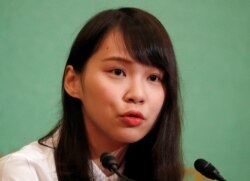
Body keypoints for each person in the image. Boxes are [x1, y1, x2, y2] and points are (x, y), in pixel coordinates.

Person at [0, 7, 183, 181]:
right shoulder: (25, 173)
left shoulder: (158, 171)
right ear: (73, 82)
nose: (137, 95)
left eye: (153, 77)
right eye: (118, 72)